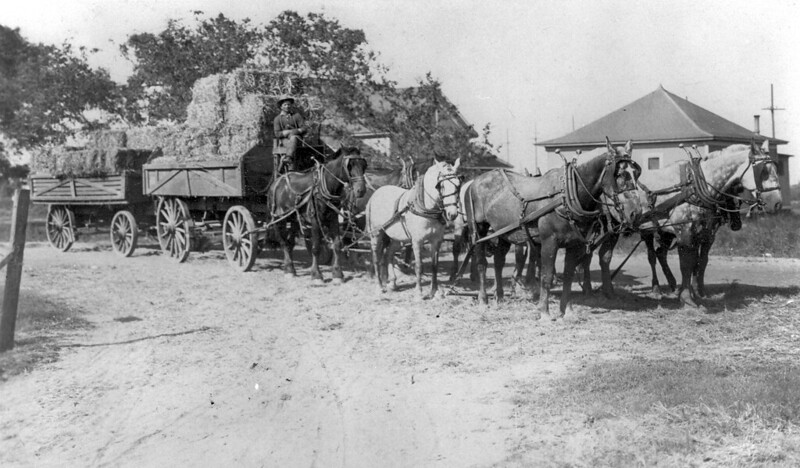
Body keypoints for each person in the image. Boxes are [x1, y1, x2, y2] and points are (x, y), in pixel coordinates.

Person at [273, 95, 308, 172]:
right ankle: (291, 169)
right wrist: (285, 133)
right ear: (281, 106)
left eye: (289, 104)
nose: (287, 106)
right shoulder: (277, 119)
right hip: (285, 140)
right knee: (290, 142)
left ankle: (288, 158)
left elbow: (304, 128)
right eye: (285, 105)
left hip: (297, 139)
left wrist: (294, 131)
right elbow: (277, 134)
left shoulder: (297, 116)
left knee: (294, 138)